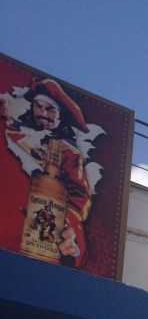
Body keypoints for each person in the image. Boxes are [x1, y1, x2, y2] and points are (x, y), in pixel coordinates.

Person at [2, 78, 93, 265]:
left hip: (29, 246)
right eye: (38, 106)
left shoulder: (68, 152)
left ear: (61, 115)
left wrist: (69, 233)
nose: (42, 114)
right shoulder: (14, 131)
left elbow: (79, 200)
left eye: (50, 109)